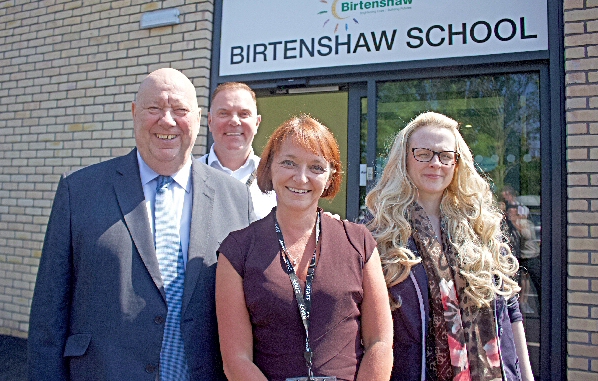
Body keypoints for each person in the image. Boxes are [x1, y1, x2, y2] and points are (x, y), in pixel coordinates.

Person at [28, 68, 255, 381]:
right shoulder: (79, 191)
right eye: (154, 109)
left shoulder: (236, 198)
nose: (167, 121)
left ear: (198, 118)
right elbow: (48, 315)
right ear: (135, 113)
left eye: (180, 110)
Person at [216, 115, 394, 381]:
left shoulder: (359, 241)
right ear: (269, 168)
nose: (301, 178)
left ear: (331, 175)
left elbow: (380, 341)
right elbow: (236, 360)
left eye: (316, 167)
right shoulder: (238, 249)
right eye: (289, 163)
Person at [366, 111, 534, 381]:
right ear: (403, 160)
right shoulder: (380, 234)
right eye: (423, 153)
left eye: (445, 156)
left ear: (457, 164)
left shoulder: (481, 228)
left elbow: (510, 310)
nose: (436, 163)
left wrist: (526, 376)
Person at [197, 82, 276, 219]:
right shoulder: (188, 176)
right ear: (210, 121)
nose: (234, 121)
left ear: (257, 123)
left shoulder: (275, 177)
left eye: (244, 114)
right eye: (224, 113)